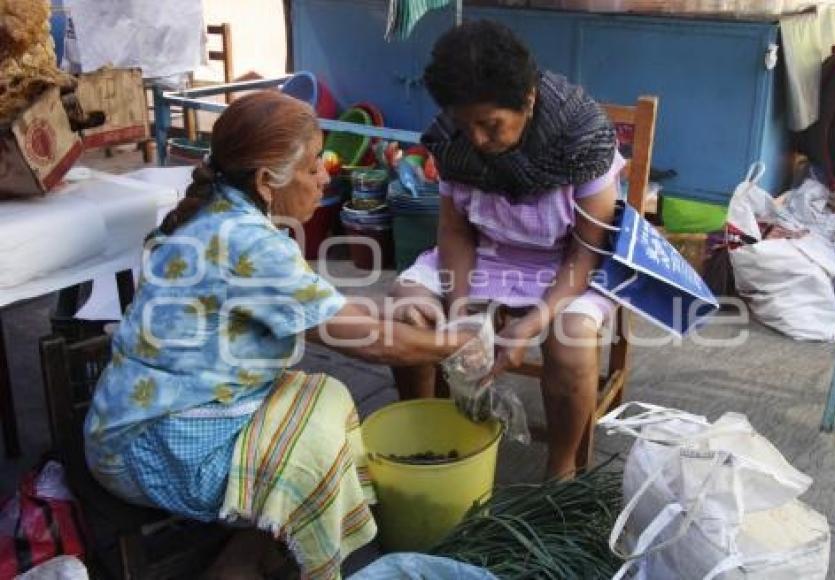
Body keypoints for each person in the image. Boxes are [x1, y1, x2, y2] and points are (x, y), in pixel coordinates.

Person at [83, 91, 473, 579]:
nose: (324, 177)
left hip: (135, 420)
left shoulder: (226, 214)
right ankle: (259, 556)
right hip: (152, 447)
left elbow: (323, 305)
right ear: (268, 180)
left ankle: (251, 551)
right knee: (318, 430)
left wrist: (395, 315)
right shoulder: (246, 242)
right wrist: (462, 341)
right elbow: (372, 345)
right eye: (313, 167)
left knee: (319, 399)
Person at [389, 20, 623, 479]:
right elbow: (455, 233)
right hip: (486, 255)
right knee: (408, 314)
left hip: (567, 264)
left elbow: (587, 251)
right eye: (465, 123)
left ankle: (561, 470)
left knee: (571, 343)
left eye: (490, 125)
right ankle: (424, 437)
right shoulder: (452, 141)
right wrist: (460, 313)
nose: (475, 138)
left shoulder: (584, 137)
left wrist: (534, 320)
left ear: (528, 100)